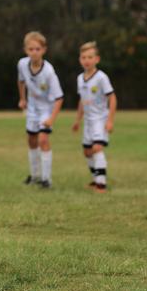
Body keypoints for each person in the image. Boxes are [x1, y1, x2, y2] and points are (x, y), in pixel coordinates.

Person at [16, 31, 63, 188]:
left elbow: (59, 98)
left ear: (44, 50)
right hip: (32, 109)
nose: (34, 52)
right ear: (25, 50)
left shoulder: (49, 72)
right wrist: (22, 98)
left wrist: (51, 119)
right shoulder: (22, 64)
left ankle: (46, 179)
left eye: (37, 49)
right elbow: (21, 81)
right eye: (31, 49)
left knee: (43, 140)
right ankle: (35, 175)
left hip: (46, 109)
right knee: (31, 140)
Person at [71, 42, 117, 192]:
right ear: (79, 60)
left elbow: (113, 98)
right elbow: (82, 101)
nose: (86, 60)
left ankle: (101, 183)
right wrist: (78, 120)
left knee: (97, 148)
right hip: (88, 121)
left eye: (90, 57)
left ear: (97, 59)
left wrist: (110, 120)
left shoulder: (101, 77)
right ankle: (95, 178)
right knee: (87, 151)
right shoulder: (79, 78)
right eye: (83, 57)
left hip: (100, 119)